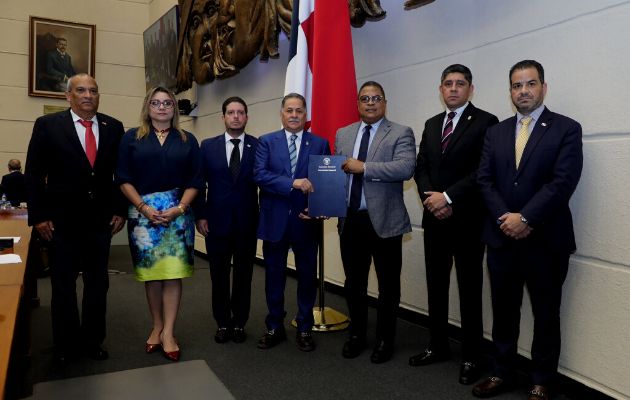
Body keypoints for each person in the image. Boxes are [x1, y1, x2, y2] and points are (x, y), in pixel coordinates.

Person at [472, 60, 583, 400]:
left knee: (546, 314)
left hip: (547, 241)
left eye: (530, 84)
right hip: (502, 237)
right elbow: (484, 180)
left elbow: (563, 182)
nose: (524, 91)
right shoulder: (496, 131)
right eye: (517, 86)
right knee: (504, 312)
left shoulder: (566, 129)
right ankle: (502, 371)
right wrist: (507, 216)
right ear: (510, 92)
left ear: (543, 87)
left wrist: (527, 218)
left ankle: (542, 380)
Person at [24, 73, 126, 364]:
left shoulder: (113, 127)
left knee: (98, 285)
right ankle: (65, 345)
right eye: (81, 90)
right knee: (63, 285)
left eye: (93, 90)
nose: (88, 95)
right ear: (68, 96)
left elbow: (121, 175)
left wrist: (120, 209)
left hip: (100, 223)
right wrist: (39, 216)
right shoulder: (48, 126)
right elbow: (33, 175)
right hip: (60, 222)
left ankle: (93, 341)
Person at [411, 64, 498, 384]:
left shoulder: (487, 122)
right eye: (447, 83)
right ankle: (437, 346)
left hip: (467, 222)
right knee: (435, 286)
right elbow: (421, 167)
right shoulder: (432, 124)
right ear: (441, 89)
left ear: (470, 89)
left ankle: (472, 356)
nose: (453, 89)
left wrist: (447, 197)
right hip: (434, 220)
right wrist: (430, 199)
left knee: (469, 290)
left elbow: (484, 171)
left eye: (460, 84)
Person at [115, 86, 202, 362]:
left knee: (172, 273)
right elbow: (122, 177)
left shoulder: (188, 139)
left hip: (178, 214)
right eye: (156, 102)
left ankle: (169, 332)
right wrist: (142, 206)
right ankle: (156, 325)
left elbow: (196, 180)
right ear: (147, 107)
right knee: (152, 275)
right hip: (142, 215)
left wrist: (180, 208)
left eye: (167, 103)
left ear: (174, 108)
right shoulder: (131, 138)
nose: (162, 107)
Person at [335, 81, 416, 363]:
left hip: (385, 222)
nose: (370, 103)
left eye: (376, 98)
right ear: (358, 104)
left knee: (388, 286)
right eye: (365, 99)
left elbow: (405, 168)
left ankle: (385, 340)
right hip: (350, 221)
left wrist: (364, 167)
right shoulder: (343, 134)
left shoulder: (401, 132)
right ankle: (356, 334)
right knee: (353, 283)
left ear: (384, 103)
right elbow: (335, 175)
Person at [253, 93, 330, 352]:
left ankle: (305, 327)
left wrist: (319, 208)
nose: (294, 115)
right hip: (274, 222)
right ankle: (275, 326)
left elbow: (324, 181)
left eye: (299, 110)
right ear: (282, 113)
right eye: (289, 110)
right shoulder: (266, 142)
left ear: (305, 114)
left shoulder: (319, 143)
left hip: (305, 222)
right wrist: (292, 183)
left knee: (307, 278)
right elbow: (260, 175)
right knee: (274, 277)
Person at [194, 97, 259, 344]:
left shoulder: (258, 146)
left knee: (244, 275)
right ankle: (222, 323)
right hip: (216, 223)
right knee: (218, 275)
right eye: (230, 112)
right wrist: (200, 214)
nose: (235, 116)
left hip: (247, 223)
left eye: (240, 112)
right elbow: (199, 184)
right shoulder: (207, 146)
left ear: (246, 117)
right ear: (223, 117)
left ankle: (240, 323)